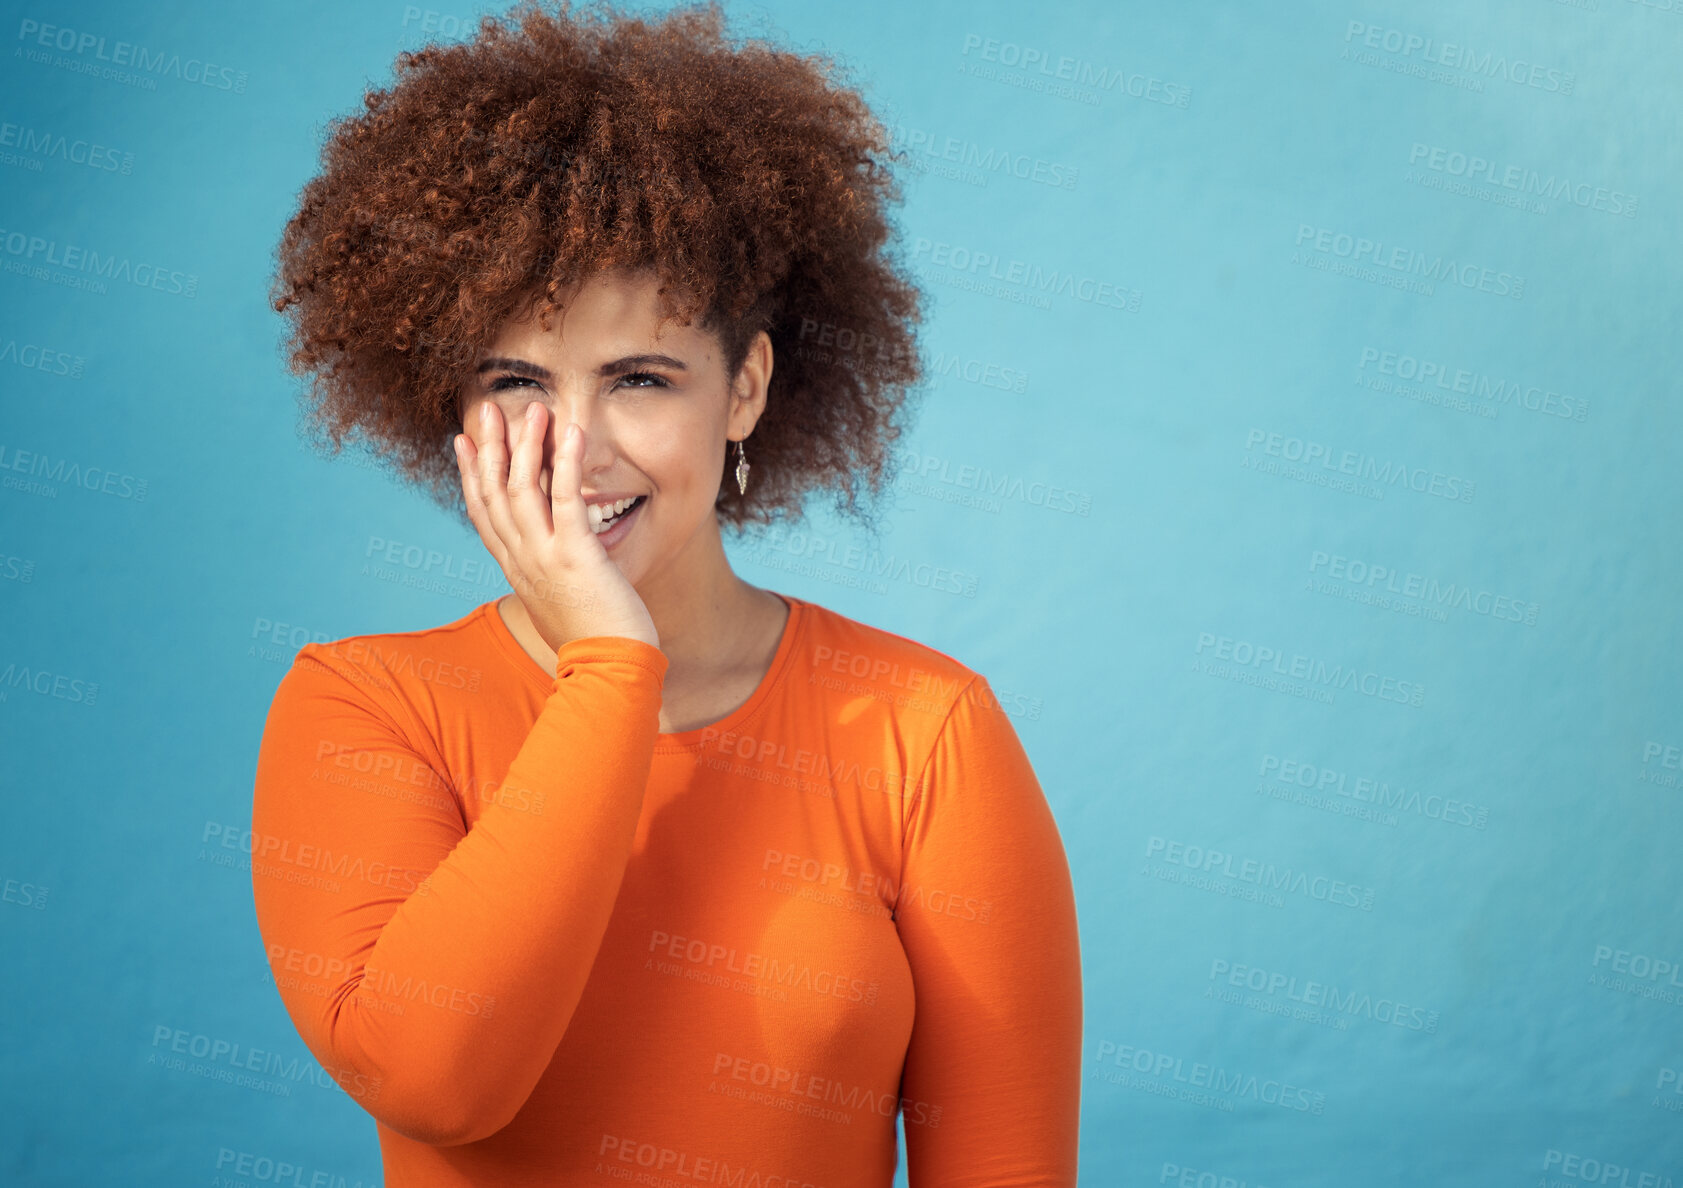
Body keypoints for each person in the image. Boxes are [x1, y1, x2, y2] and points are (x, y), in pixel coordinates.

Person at [253, 2, 1082, 1183]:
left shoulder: (925, 730)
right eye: (518, 380)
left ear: (742, 390)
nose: (579, 446)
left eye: (639, 377)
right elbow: (437, 1078)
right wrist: (609, 666)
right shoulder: (365, 708)